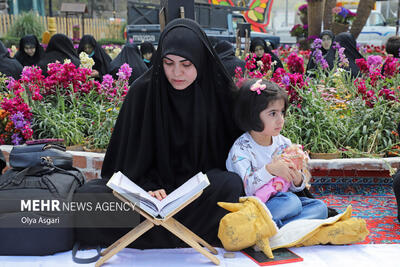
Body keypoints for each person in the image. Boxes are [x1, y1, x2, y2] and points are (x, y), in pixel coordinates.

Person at [78, 18, 244, 249]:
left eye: (186, 64)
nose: (177, 73)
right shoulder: (142, 92)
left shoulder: (216, 95)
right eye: (168, 63)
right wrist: (147, 187)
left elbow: (234, 155)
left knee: (230, 185)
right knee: (87, 197)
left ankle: (150, 235)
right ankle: (180, 235)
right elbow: (124, 164)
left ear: (201, 61)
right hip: (147, 198)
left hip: (196, 199)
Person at [226, 78, 328, 228]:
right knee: (291, 202)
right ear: (252, 115)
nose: (280, 120)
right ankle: (273, 226)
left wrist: (297, 177)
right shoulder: (241, 149)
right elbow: (246, 188)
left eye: (282, 113)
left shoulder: (283, 143)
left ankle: (275, 227)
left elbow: (295, 187)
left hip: (283, 202)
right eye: (273, 114)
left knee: (319, 207)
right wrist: (270, 170)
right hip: (256, 206)